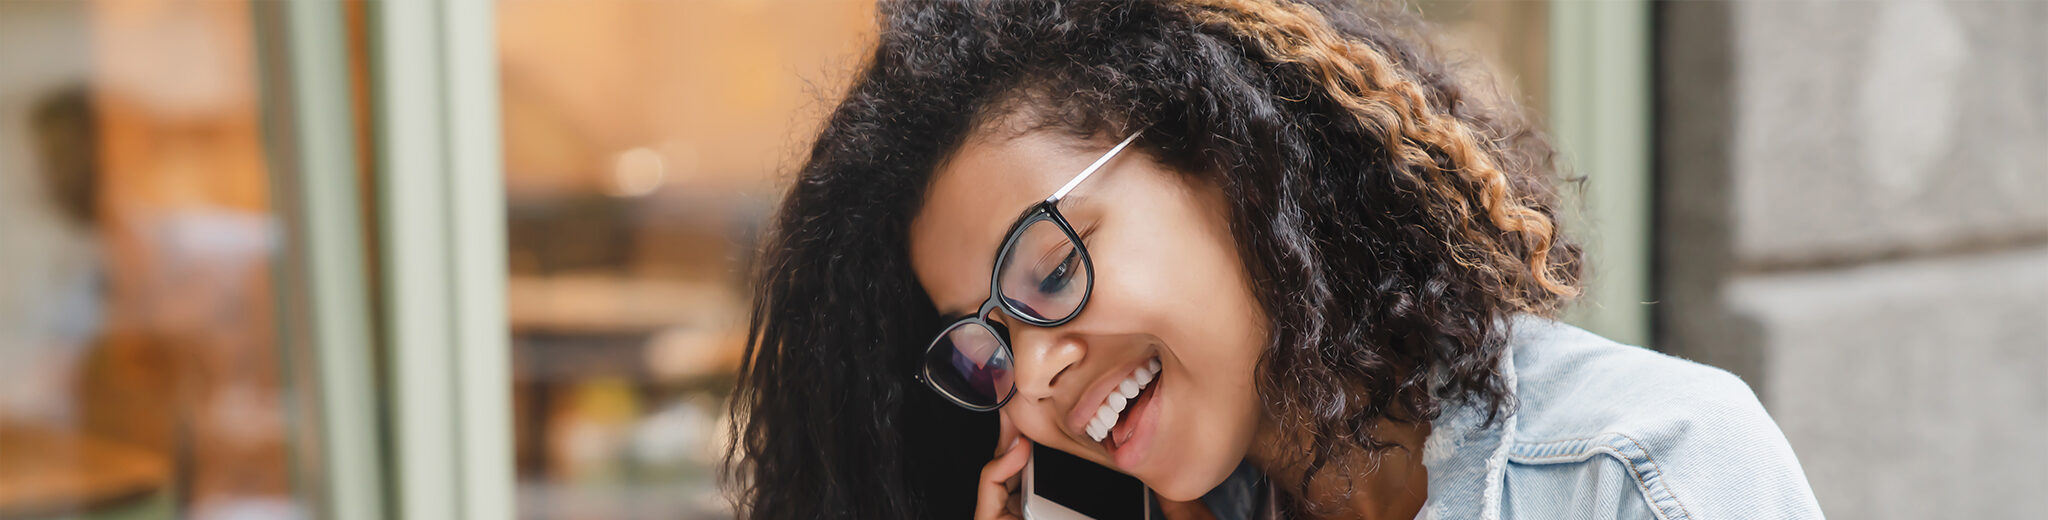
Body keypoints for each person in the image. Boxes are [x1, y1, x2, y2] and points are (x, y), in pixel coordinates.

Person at [727, 1, 1823, 518]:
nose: (1038, 371)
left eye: (1050, 275)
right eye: (987, 344)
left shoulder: (1642, 473)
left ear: (1226, 159)